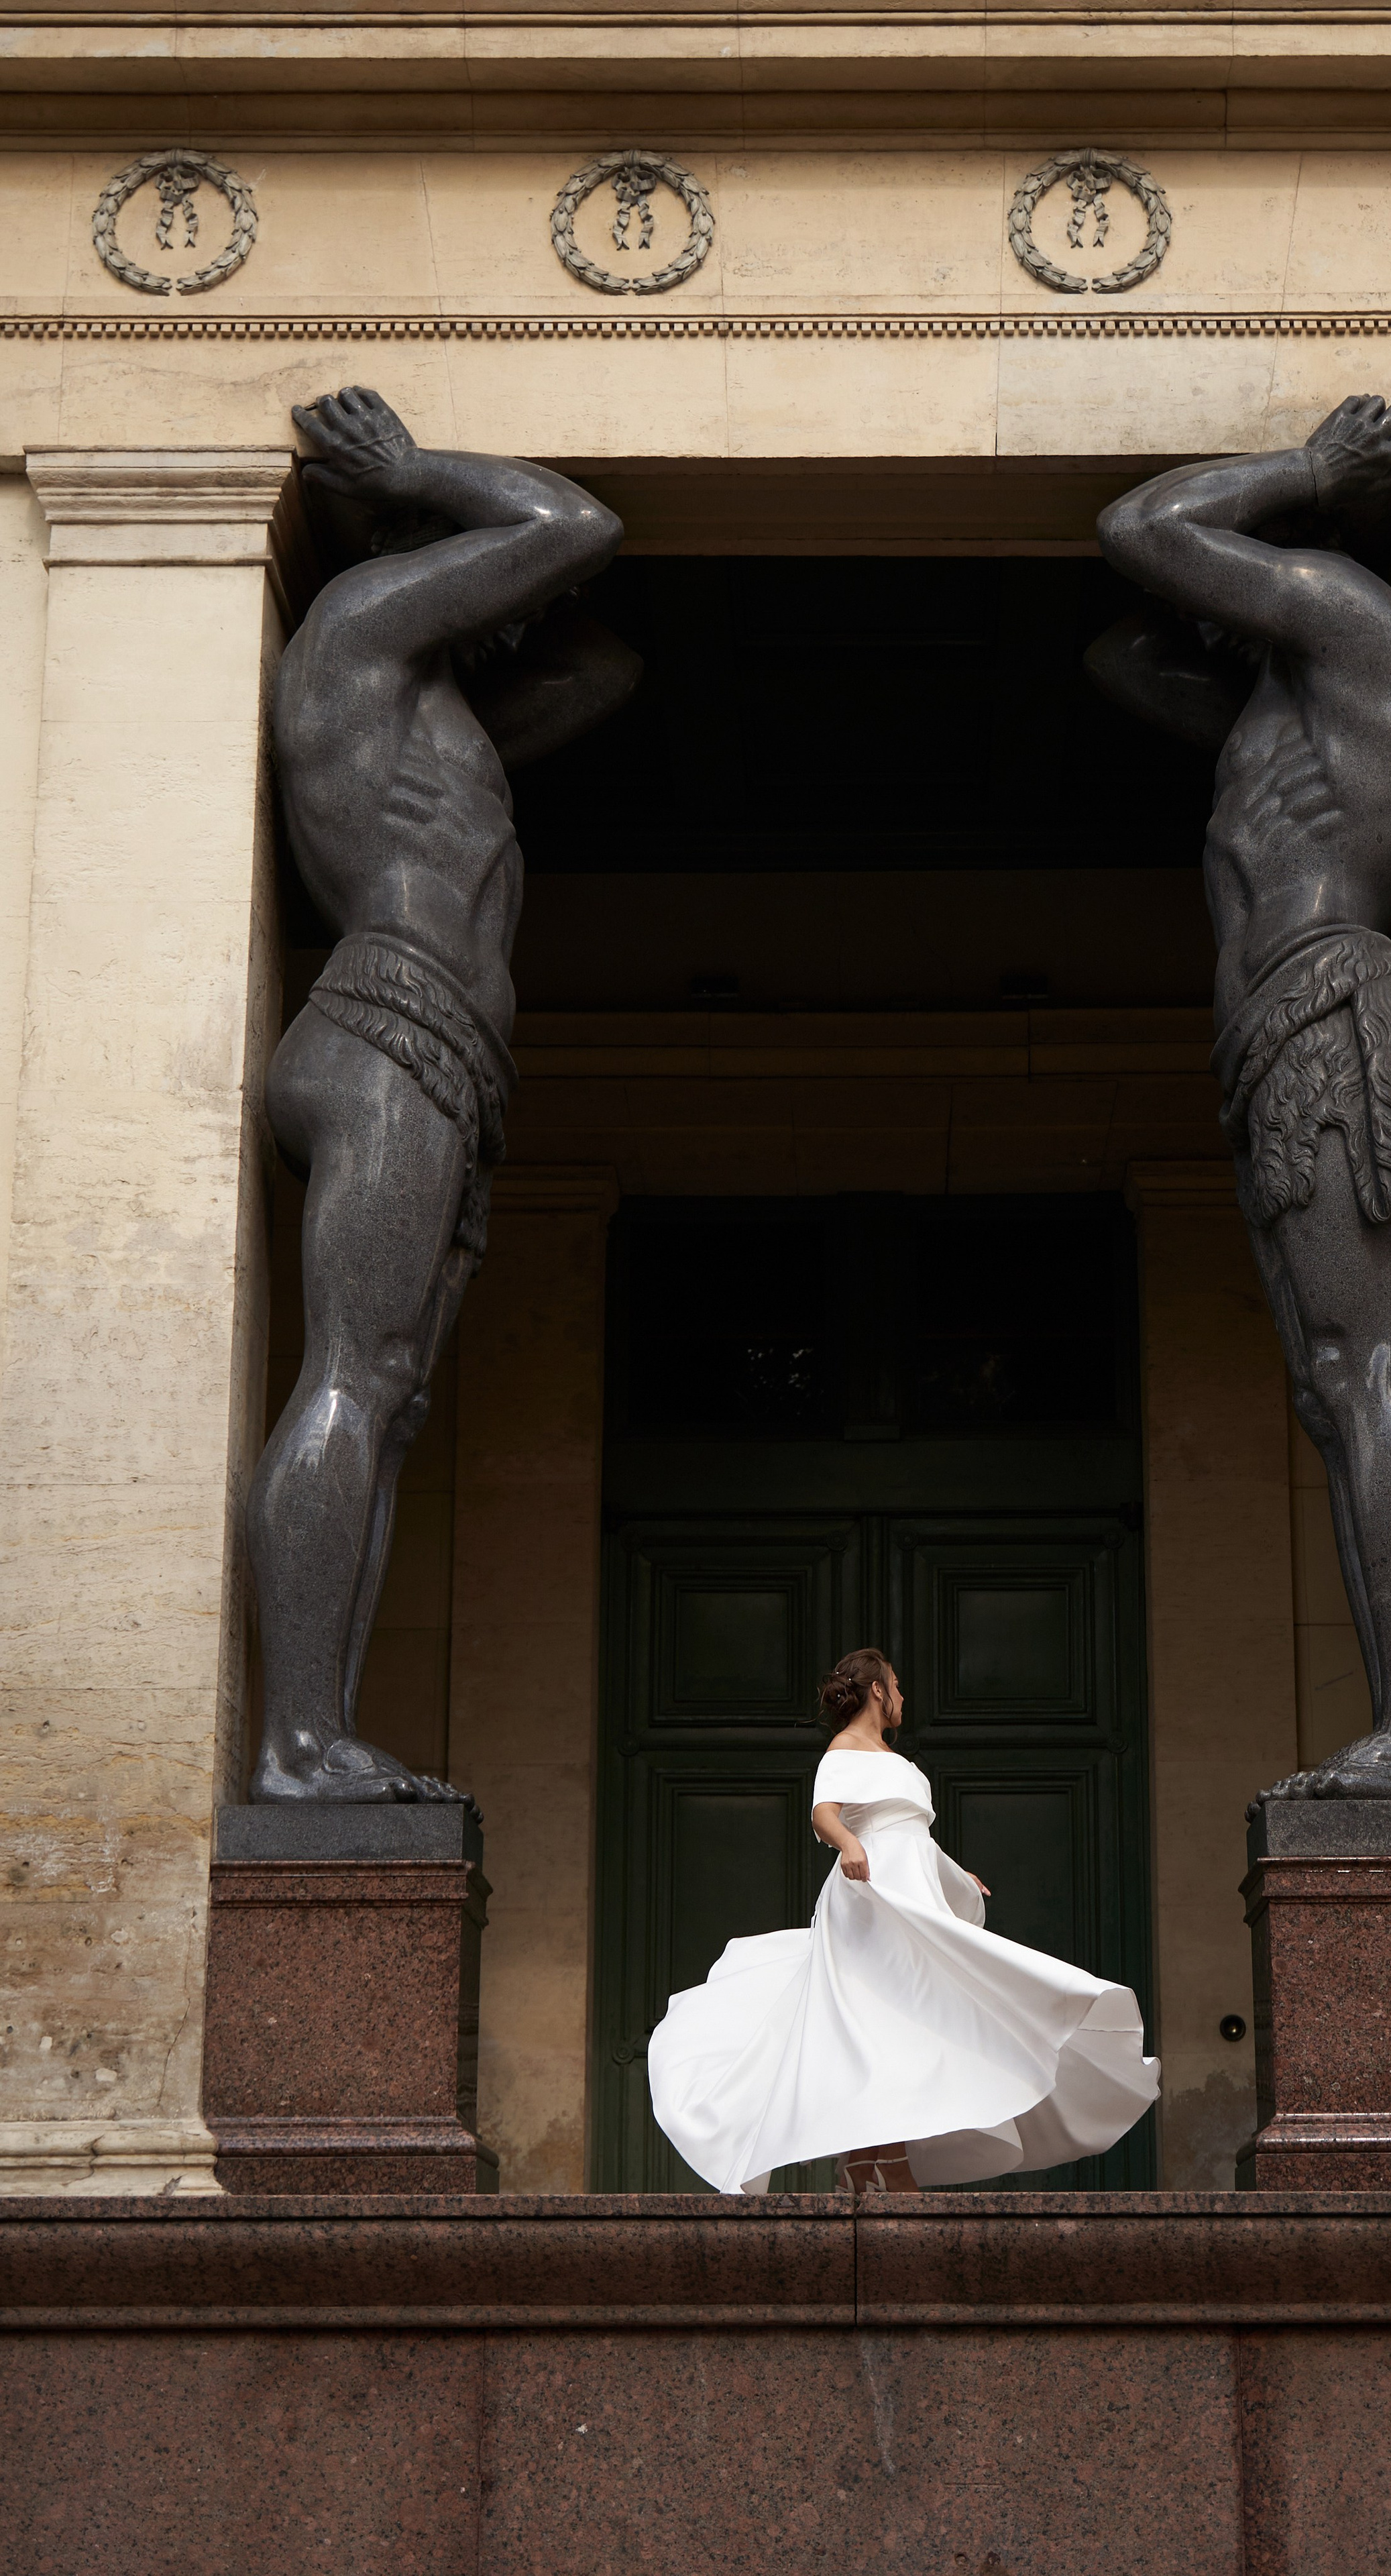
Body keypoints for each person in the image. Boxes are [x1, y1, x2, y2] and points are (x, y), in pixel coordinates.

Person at [247, 386, 641, 1803]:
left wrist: (477, 577)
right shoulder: (351, 638)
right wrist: (420, 478)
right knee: (353, 1377)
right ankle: (293, 1746)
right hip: (387, 1031)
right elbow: (572, 525)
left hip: (440, 1058)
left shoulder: (437, 717)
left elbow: (598, 670)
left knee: (387, 1397)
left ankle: (320, 1735)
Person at [1091, 394, 1391, 1807]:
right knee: (1336, 1388)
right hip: (1287, 1033)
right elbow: (1122, 648)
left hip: (1332, 1017)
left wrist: (1308, 472)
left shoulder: (1360, 631)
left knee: (1366, 1371)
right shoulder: (1281, 700)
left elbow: (1141, 529)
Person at [648, 1648, 1160, 2194]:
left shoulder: (901, 1763)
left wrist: (954, 1871)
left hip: (913, 1890)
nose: (903, 1697)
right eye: (896, 1685)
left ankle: (865, 2164)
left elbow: (913, 1833)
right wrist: (847, 1843)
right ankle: (883, 2164)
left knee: (901, 2024)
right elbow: (824, 1813)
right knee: (882, 2020)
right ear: (876, 1690)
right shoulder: (844, 1748)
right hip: (871, 1895)